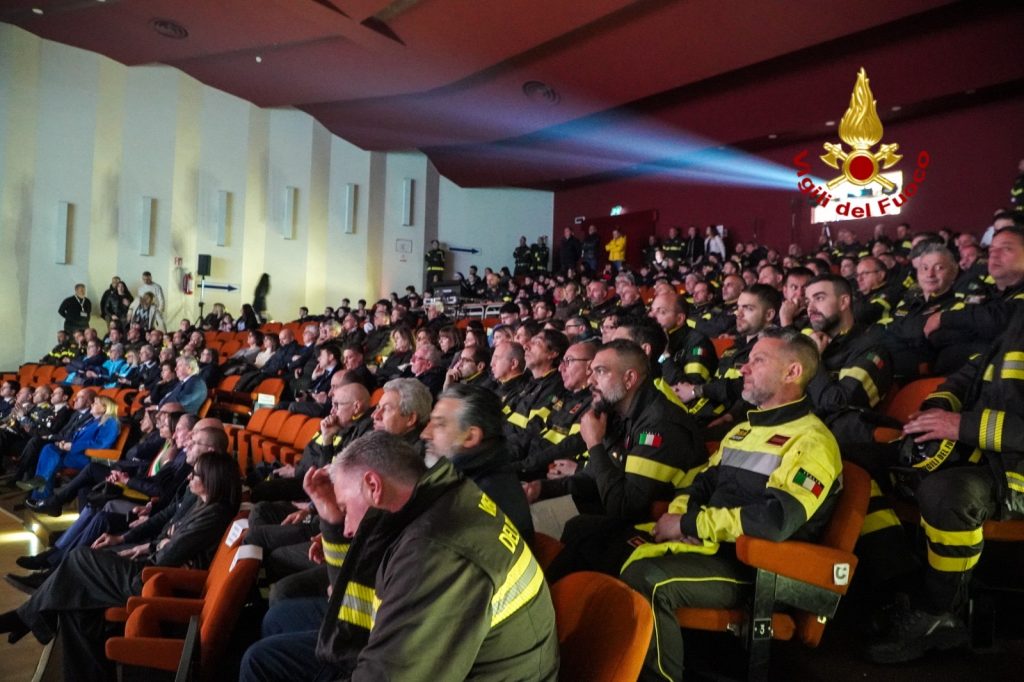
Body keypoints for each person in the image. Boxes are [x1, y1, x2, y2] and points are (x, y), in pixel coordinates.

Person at [239, 432, 559, 680]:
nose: (348, 529)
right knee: (273, 633)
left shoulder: (436, 550)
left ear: (373, 485)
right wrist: (333, 521)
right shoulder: (431, 498)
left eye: (345, 509)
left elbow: (391, 675)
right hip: (439, 651)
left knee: (262, 663)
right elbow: (355, 598)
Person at [620, 328, 843, 681]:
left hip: (757, 569)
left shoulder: (812, 441)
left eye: (758, 360)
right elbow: (700, 482)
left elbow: (773, 521)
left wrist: (690, 525)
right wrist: (680, 517)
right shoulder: (743, 431)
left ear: (792, 372)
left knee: (646, 579)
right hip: (710, 547)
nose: (743, 368)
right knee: (609, 543)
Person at [866, 312, 1024, 664]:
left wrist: (961, 425)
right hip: (982, 457)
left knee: (947, 494)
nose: (994, 254)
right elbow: (967, 376)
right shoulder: (1017, 321)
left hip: (1015, 476)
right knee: (861, 461)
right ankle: (900, 582)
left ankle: (939, 611)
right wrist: (934, 411)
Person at [0, 450, 241, 681]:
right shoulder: (201, 505)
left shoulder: (214, 514)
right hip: (155, 570)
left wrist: (164, 543)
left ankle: (27, 617)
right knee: (78, 607)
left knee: (80, 558)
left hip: (155, 580)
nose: (189, 477)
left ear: (212, 479)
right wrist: (162, 542)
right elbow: (167, 538)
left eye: (195, 474)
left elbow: (167, 556)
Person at [422, 383, 534, 540]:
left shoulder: (478, 501)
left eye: (439, 424)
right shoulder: (464, 478)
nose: (425, 434)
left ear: (470, 437)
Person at [22, 395, 120, 502]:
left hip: (88, 458)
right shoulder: (92, 421)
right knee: (49, 449)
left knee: (49, 459)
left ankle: (40, 492)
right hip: (75, 454)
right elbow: (76, 437)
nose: (92, 404)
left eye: (96, 403)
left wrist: (73, 446)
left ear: (105, 408)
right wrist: (65, 443)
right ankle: (42, 494)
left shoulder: (110, 422)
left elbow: (100, 444)